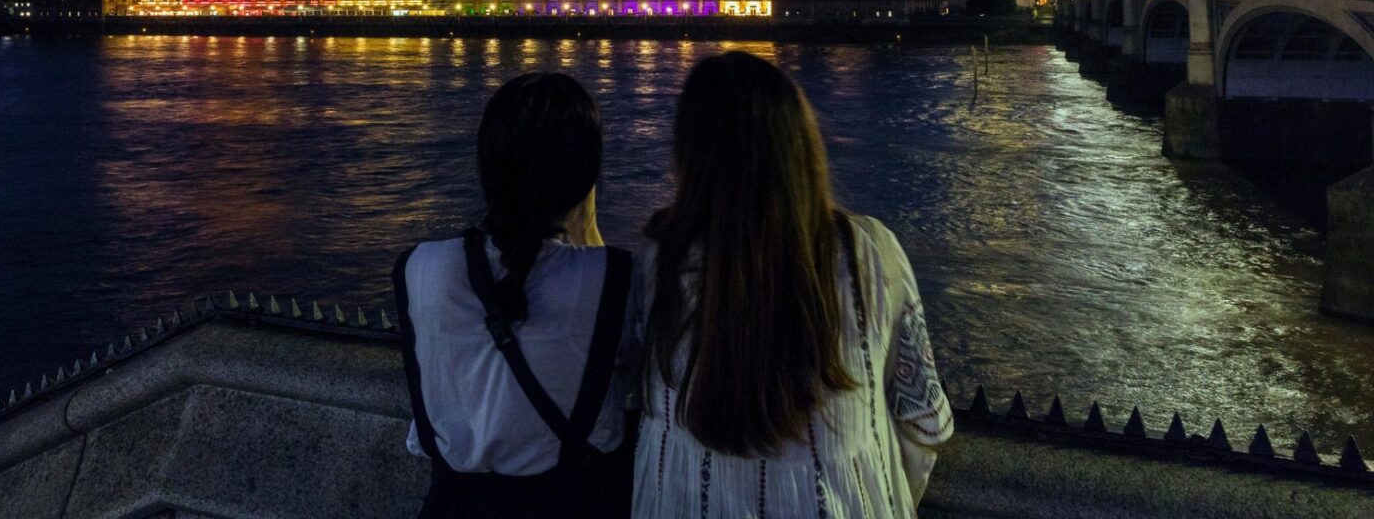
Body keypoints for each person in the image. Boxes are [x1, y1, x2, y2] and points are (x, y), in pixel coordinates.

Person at [635, 51, 954, 518]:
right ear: (801, 146)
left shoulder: (657, 260)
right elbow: (925, 424)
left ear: (690, 155)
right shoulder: (870, 252)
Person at [394, 73, 636, 519]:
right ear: (587, 176)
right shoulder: (613, 275)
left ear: (486, 164)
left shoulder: (419, 267)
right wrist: (586, 222)